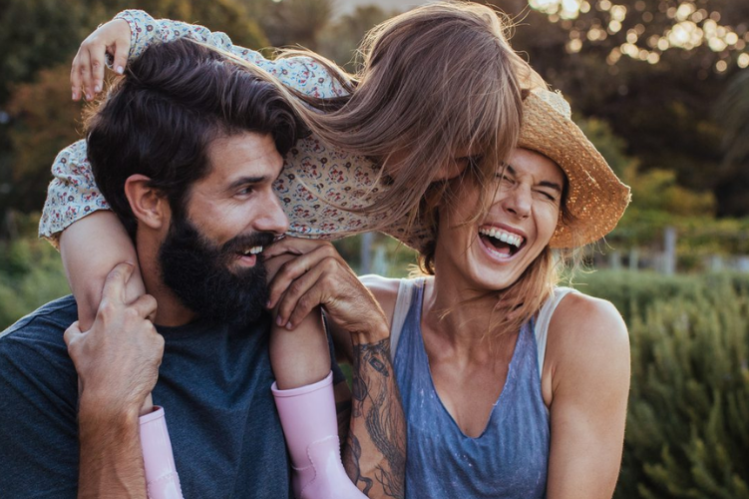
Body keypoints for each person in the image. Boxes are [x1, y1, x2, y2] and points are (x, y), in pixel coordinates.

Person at [40, 3, 542, 497]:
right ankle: (158, 480)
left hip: (252, 240)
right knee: (116, 309)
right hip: (92, 186)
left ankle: (321, 474)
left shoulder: (404, 190)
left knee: (298, 293)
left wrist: (523, 274)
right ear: (409, 114)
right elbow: (214, 52)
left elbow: (458, 241)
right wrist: (129, 28)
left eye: (468, 160)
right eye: (452, 154)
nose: (452, 172)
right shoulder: (315, 92)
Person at [0, 39, 404, 499]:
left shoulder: (281, 317)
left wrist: (370, 332)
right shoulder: (27, 373)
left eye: (273, 186)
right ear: (150, 201)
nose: (279, 220)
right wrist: (109, 412)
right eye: (245, 190)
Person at [265, 87, 633, 497]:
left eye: (546, 193)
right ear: (442, 186)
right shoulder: (373, 311)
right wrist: (365, 325)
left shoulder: (583, 334)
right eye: (499, 176)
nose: (522, 205)